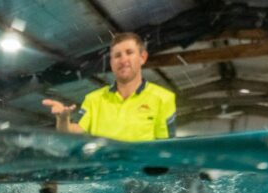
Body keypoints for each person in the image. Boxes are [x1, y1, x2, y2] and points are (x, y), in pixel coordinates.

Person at [42, 32, 176, 142]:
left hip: (140, 173)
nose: (123, 60)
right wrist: (63, 119)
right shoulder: (93, 99)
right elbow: (73, 133)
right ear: (111, 63)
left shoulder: (164, 98)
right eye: (117, 56)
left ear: (142, 57)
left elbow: (165, 146)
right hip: (102, 172)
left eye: (129, 52)